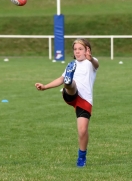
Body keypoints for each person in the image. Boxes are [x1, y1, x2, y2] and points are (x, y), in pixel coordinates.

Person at [35, 38, 99, 167]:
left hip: (84, 100)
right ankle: (69, 83)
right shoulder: (72, 64)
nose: (77, 52)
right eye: (75, 49)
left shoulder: (91, 63)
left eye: (80, 49)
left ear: (87, 50)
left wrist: (90, 58)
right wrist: (45, 86)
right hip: (71, 95)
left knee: (82, 131)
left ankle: (82, 157)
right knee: (69, 83)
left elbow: (96, 64)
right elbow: (60, 79)